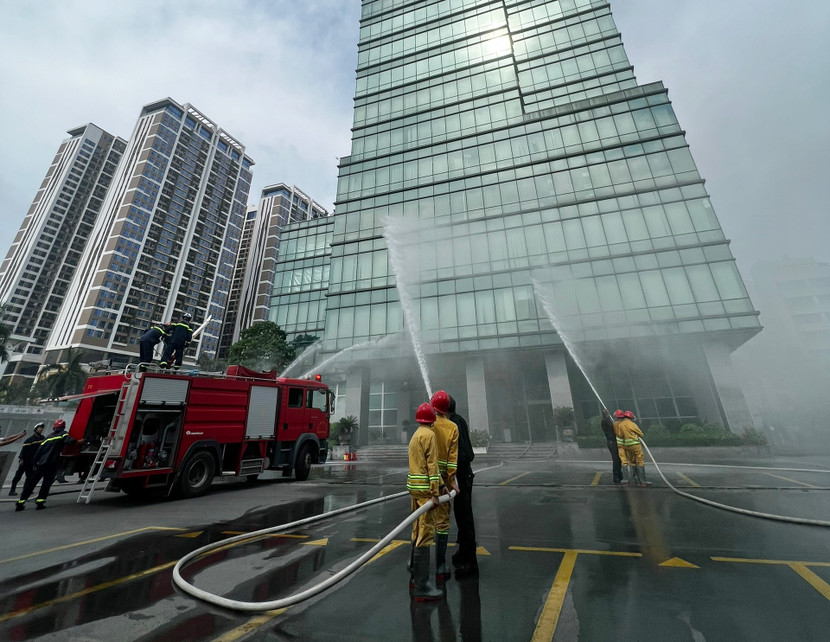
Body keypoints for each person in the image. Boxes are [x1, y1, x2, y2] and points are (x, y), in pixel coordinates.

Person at [407, 402, 443, 602]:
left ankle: (413, 573)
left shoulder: (416, 435)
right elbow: (432, 465)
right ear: (432, 419)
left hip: (414, 489)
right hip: (425, 492)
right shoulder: (430, 435)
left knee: (417, 528)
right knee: (426, 532)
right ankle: (423, 585)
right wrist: (436, 493)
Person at [429, 389, 459, 582]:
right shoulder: (452, 427)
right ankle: (440, 566)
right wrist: (452, 482)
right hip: (443, 486)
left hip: (424, 482)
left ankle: (415, 565)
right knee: (442, 525)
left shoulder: (426, 426)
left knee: (421, 523)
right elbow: (451, 461)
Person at [15, 419, 77, 511]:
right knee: (46, 483)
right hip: (52, 464)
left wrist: (35, 462)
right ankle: (40, 503)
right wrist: (82, 440)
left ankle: (21, 502)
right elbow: (71, 441)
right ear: (63, 427)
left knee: (31, 483)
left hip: (40, 463)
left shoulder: (47, 437)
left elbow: (39, 451)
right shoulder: (63, 434)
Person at [448, 394, 478, 575]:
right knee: (462, 514)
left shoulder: (454, 423)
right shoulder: (459, 419)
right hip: (464, 473)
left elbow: (459, 452)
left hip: (461, 474)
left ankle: (470, 560)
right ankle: (463, 552)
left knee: (464, 516)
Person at [613, 409, 651, 487]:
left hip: (626, 446)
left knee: (631, 462)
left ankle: (628, 480)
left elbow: (620, 435)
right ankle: (643, 481)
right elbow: (641, 434)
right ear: (631, 417)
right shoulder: (632, 424)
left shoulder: (620, 425)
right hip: (636, 445)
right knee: (640, 461)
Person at [9, 422, 45, 496]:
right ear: (35, 429)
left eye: (41, 428)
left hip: (32, 461)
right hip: (25, 461)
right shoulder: (29, 440)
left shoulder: (42, 438)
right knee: (18, 476)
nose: (41, 429)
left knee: (29, 477)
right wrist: (21, 459)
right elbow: (23, 451)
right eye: (39, 428)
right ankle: (12, 490)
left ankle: (26, 490)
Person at [601, 408, 623, 484]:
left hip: (614, 441)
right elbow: (612, 426)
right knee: (616, 459)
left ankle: (619, 475)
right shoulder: (605, 421)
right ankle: (616, 476)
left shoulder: (608, 420)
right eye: (606, 412)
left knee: (619, 459)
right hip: (612, 442)